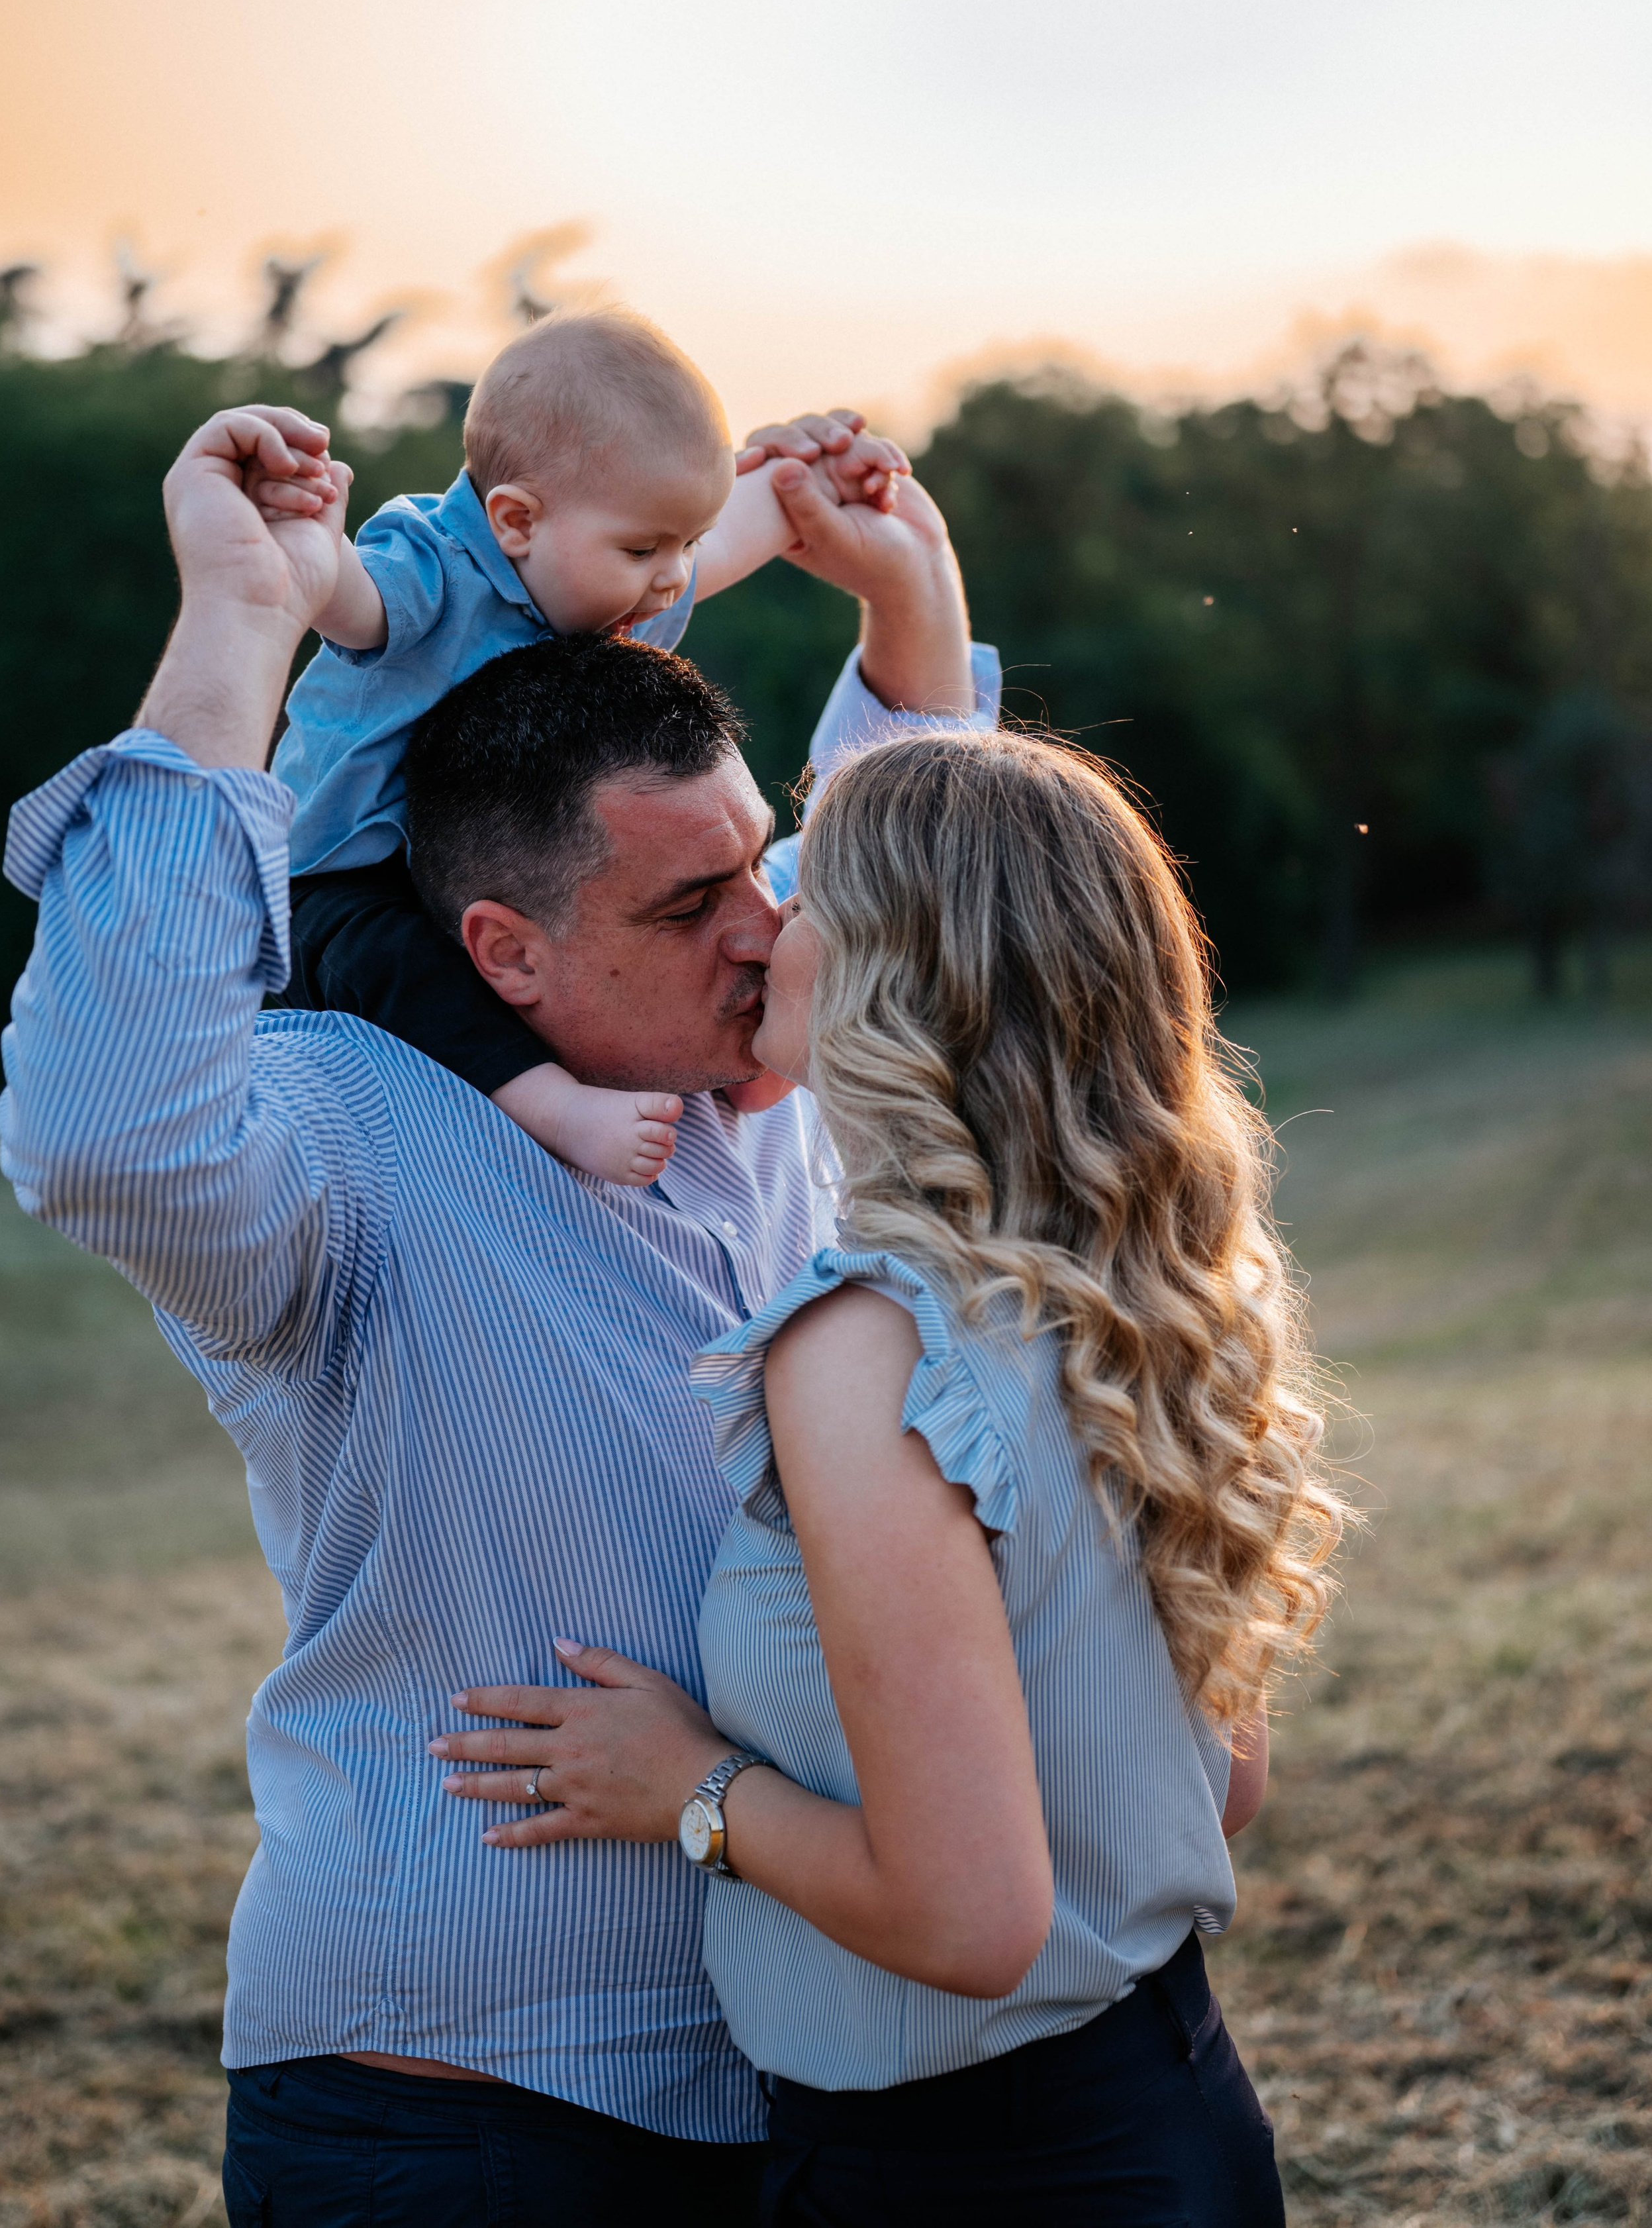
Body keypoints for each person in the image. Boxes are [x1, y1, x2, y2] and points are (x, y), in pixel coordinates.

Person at [0, 401, 999, 2225]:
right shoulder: (334, 1127)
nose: (763, 933)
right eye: (692, 903)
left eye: (758, 870)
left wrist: (908, 611)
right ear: (504, 952)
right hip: (457, 2106)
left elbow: (936, 910)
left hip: (802, 2069)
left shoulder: (769, 1087)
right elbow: (105, 1128)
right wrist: (237, 616)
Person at [432, 727, 1353, 2225]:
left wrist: (691, 1787)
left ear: (892, 971)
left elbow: (970, 1917)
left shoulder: (866, 1344)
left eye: (805, 894)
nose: (764, 927)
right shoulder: (1144, 1297)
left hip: (963, 2176)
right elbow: (1221, 1787)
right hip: (1175, 2110)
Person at [267, 304, 910, 1182]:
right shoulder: (437, 568)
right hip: (339, 873)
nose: (676, 575)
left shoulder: (598, 579)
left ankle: (756, 1058)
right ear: (517, 520)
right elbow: (349, 603)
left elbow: (730, 541)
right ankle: (550, 1106)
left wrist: (813, 479)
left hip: (467, 860)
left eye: (685, 540)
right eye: (648, 546)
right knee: (402, 967)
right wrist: (308, 537)